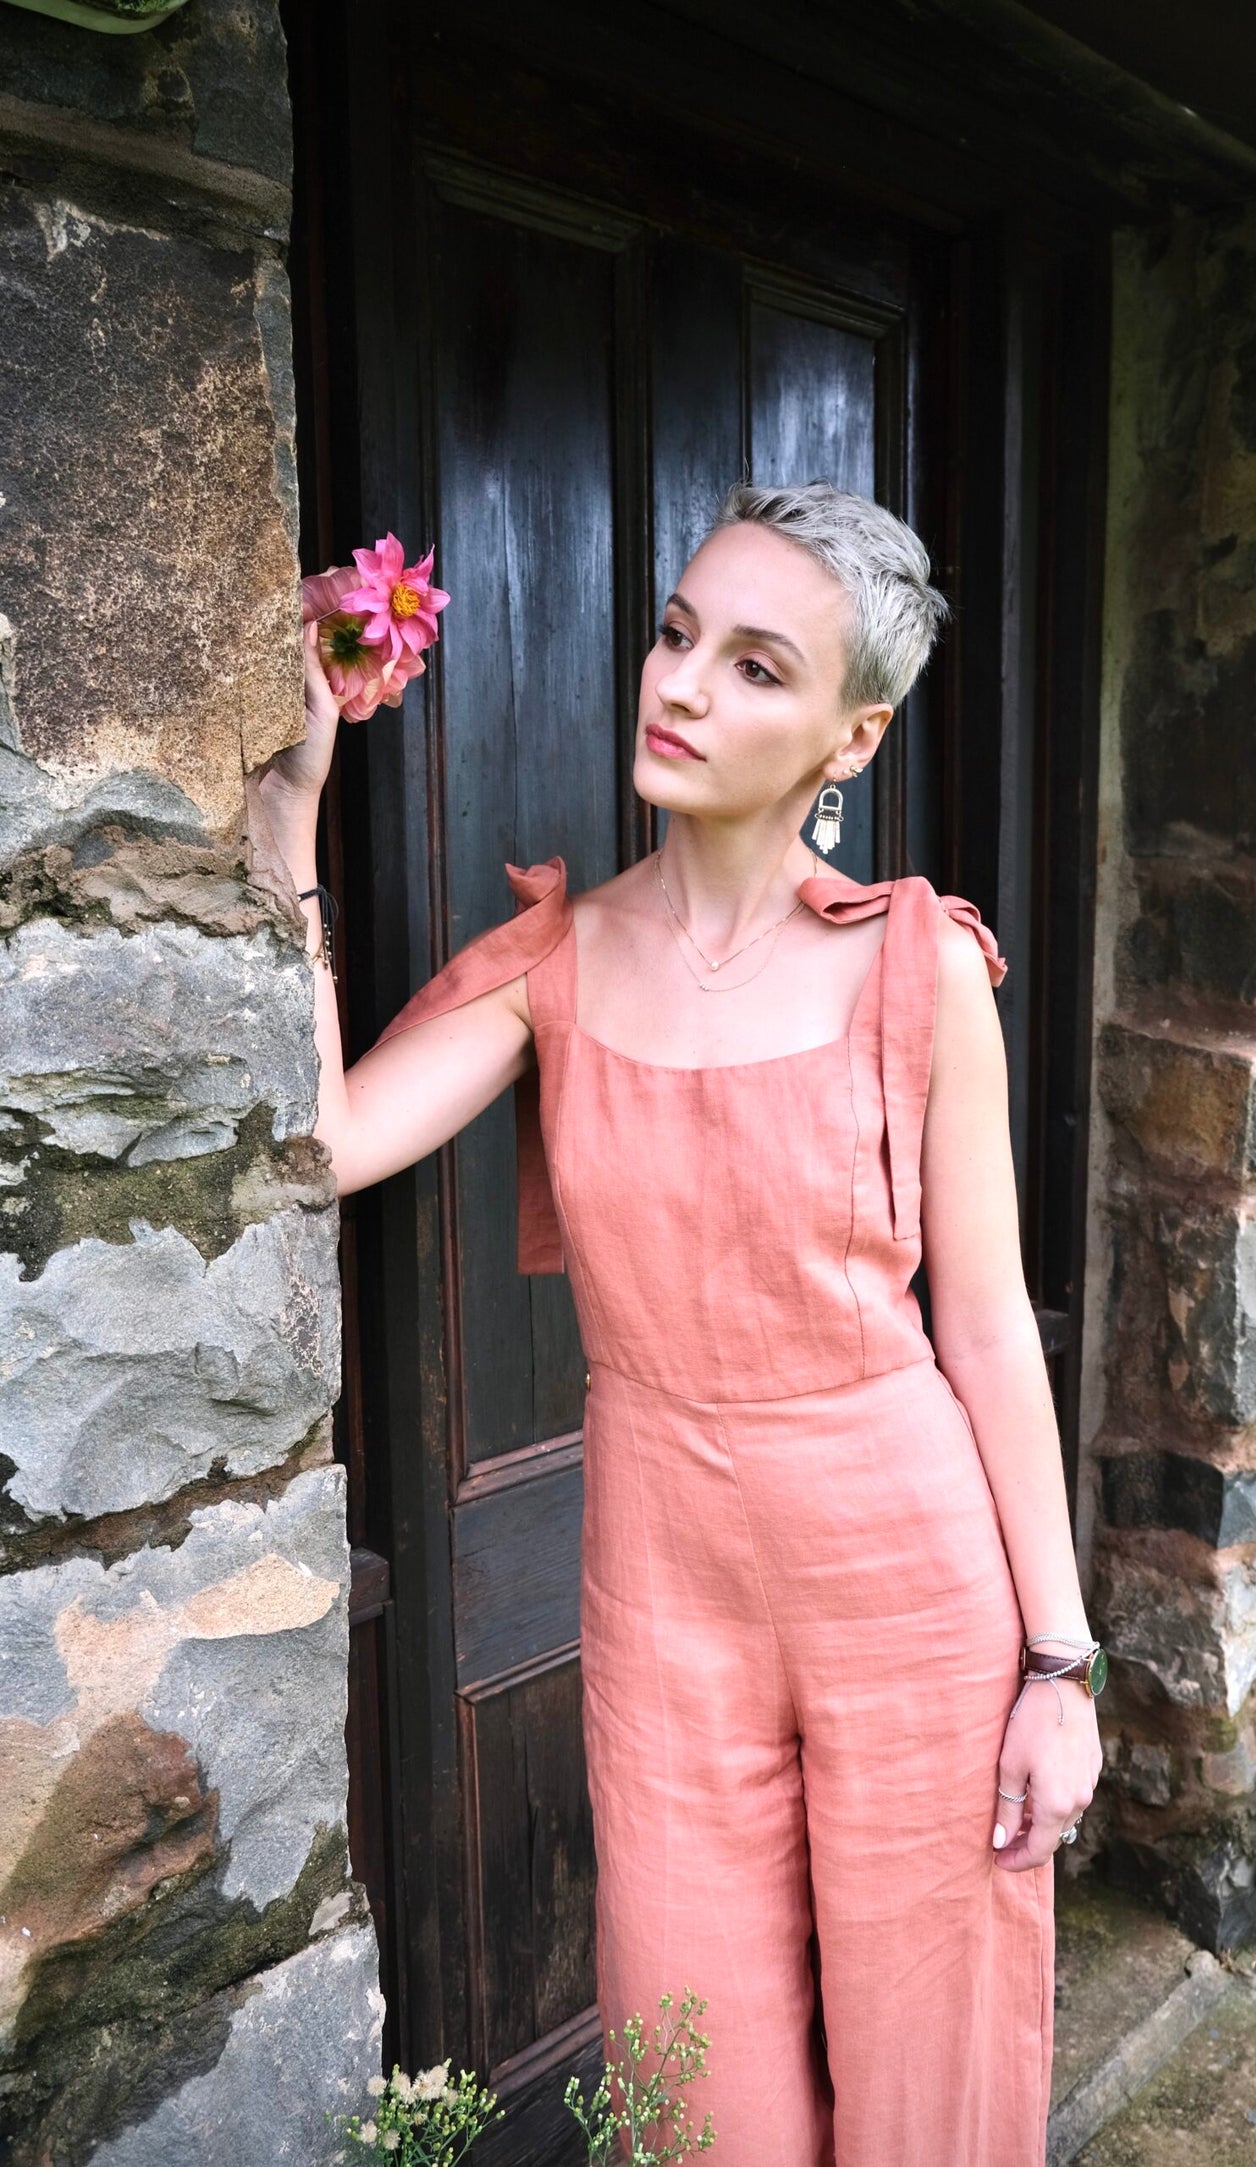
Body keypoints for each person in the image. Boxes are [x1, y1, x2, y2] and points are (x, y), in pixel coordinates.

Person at [258, 480, 1103, 2166]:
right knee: (692, 2067)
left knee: (935, 2060)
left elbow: (991, 1327)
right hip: (661, 1588)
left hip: (907, 1578)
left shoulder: (913, 967)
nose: (684, 684)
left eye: (755, 665)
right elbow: (328, 1142)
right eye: (673, 633)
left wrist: (1056, 1665)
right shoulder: (550, 960)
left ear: (849, 741)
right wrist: (292, 809)